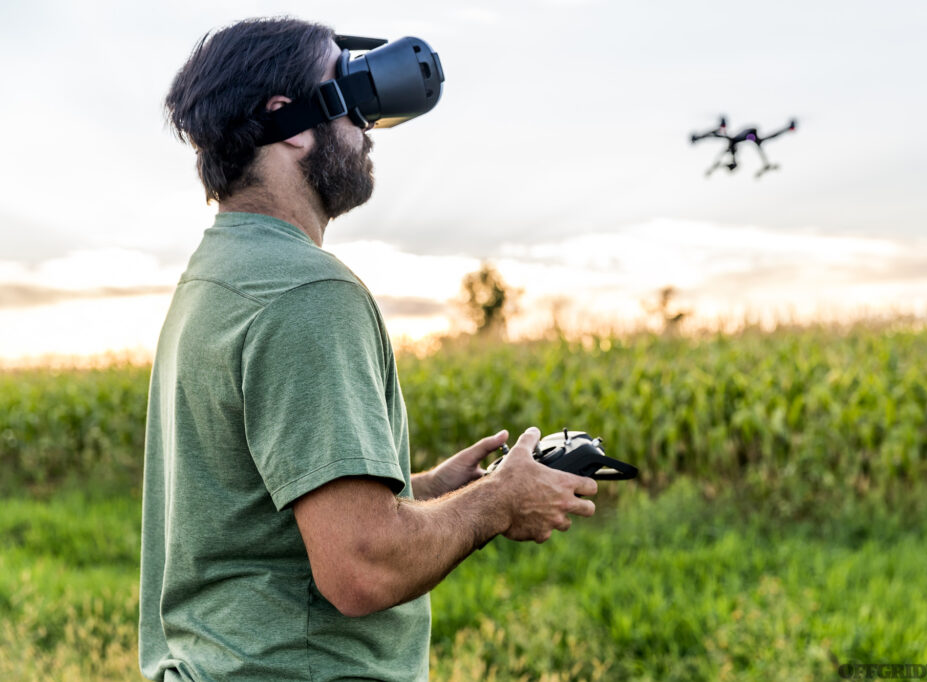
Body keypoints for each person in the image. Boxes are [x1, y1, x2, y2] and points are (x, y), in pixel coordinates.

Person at [139, 17, 598, 682]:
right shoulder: (307, 291)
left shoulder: (216, 276)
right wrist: (499, 502)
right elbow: (360, 567)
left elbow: (259, 519)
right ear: (290, 122)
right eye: (351, 98)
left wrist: (431, 492)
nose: (367, 132)